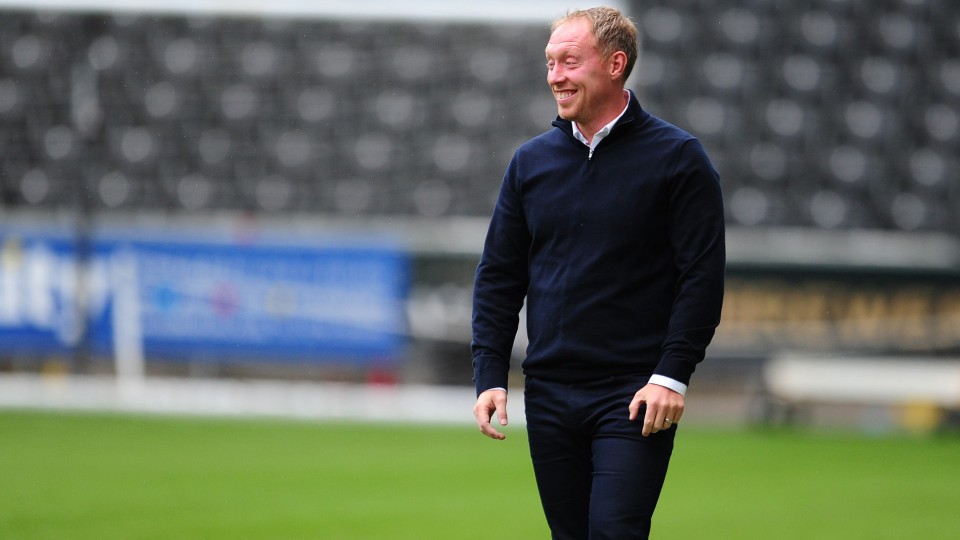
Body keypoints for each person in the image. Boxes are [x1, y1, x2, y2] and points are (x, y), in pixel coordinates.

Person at [470, 6, 725, 539]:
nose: (555, 77)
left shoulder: (678, 158)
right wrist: (490, 373)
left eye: (569, 61)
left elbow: (701, 277)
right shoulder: (529, 164)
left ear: (614, 64)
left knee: (614, 532)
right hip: (548, 392)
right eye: (549, 63)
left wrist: (672, 375)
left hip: (634, 395)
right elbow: (499, 275)